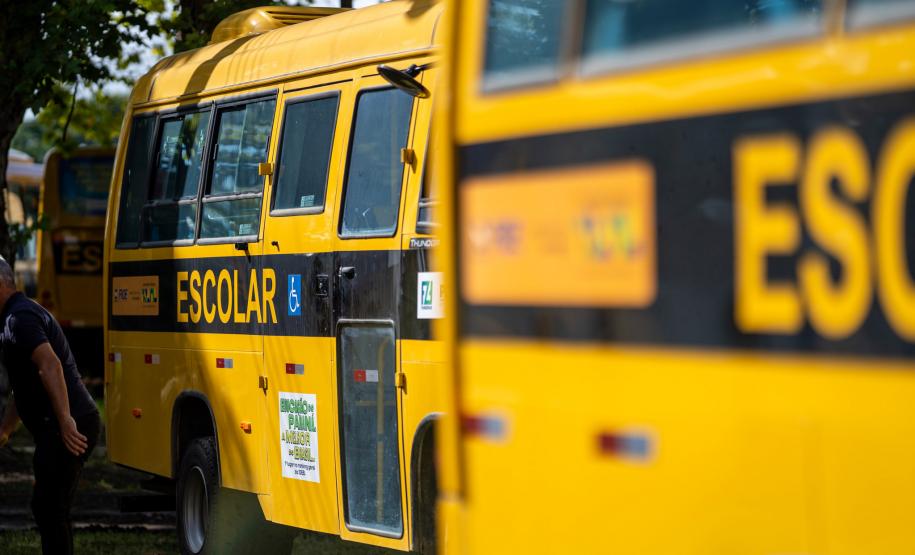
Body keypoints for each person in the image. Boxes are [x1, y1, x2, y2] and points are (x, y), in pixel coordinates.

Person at [0, 256, 99, 554]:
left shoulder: (19, 319)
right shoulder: (13, 317)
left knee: (50, 508)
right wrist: (5, 429)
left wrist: (66, 420)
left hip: (69, 423)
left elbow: (50, 366)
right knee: (47, 507)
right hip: (59, 424)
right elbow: (25, 386)